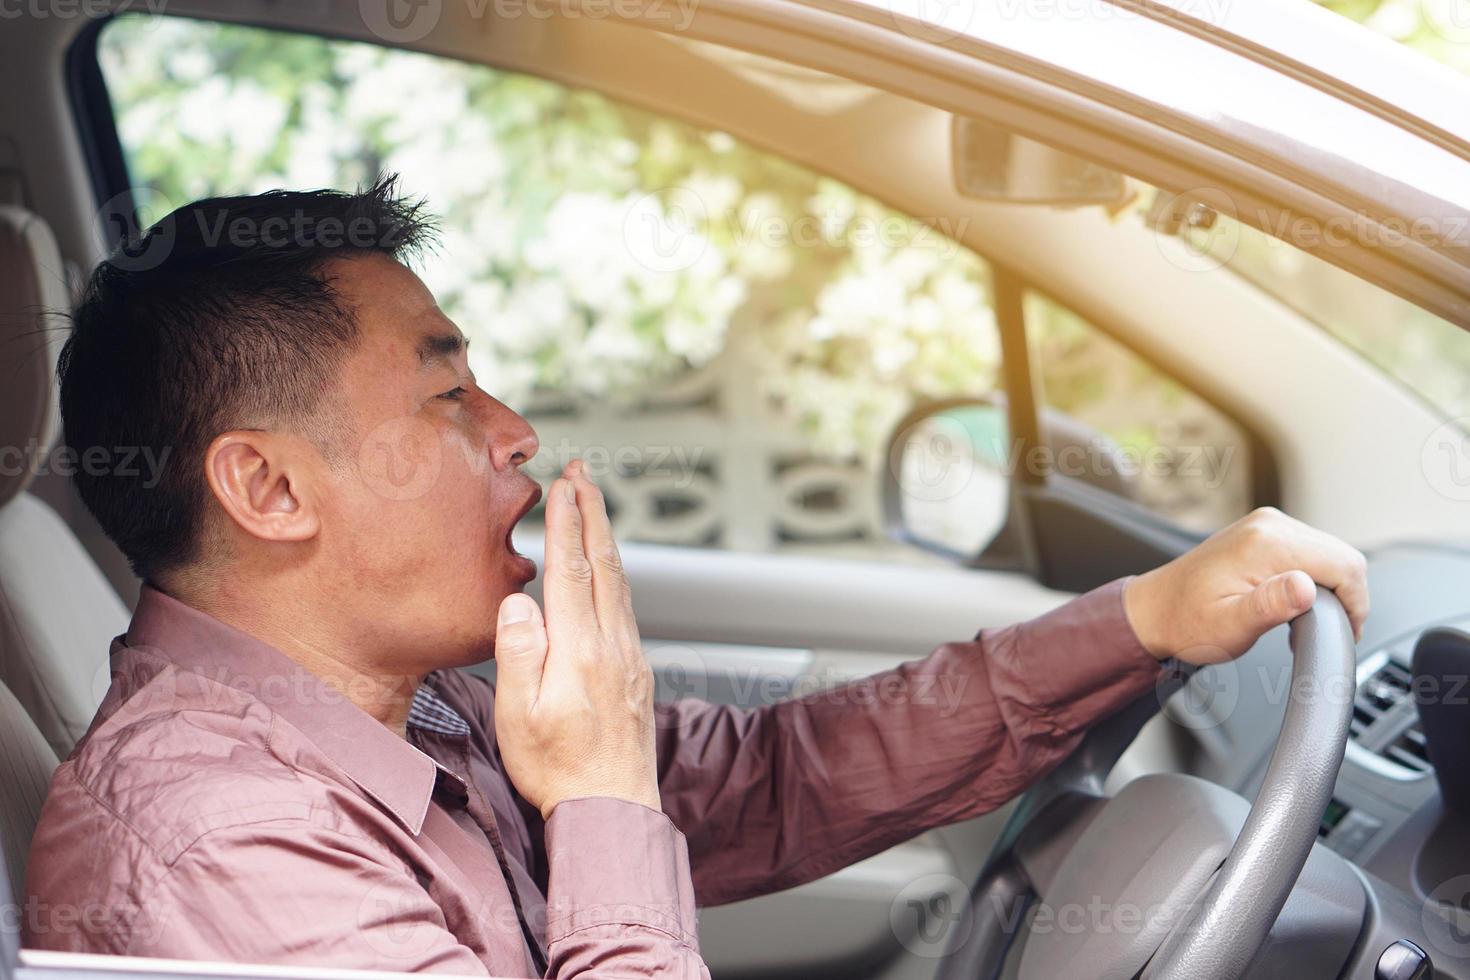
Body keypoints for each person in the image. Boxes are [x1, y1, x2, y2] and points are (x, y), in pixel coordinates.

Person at [23, 178, 1369, 978]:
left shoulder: (415, 709)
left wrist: (1143, 620)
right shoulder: (217, 847)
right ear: (267, 489)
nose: (514, 433)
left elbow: (786, 775)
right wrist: (602, 796)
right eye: (445, 394)